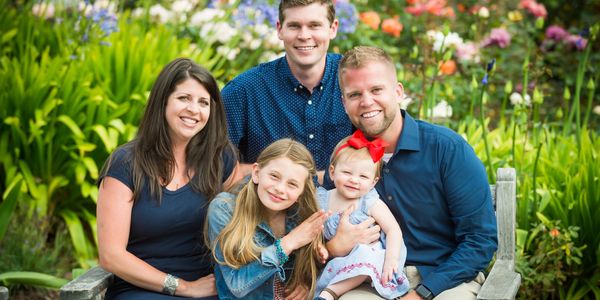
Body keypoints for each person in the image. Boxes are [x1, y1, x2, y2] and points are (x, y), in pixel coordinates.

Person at [326, 46, 498, 300]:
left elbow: (480, 240)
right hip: (370, 276)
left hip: (445, 279)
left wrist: (423, 293)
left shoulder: (447, 149)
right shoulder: (344, 158)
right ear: (344, 102)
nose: (366, 101)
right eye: (354, 94)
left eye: (376, 90)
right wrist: (333, 247)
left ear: (398, 92)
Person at [96, 58, 241, 299]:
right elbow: (111, 255)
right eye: (184, 98)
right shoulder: (126, 163)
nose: (194, 109)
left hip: (211, 286)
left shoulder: (220, 157)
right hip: (142, 288)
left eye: (203, 102)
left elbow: (245, 223)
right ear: (163, 101)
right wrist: (185, 287)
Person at [221, 0, 354, 182]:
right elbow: (216, 168)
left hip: (344, 204)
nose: (304, 35)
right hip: (267, 205)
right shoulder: (242, 92)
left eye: (314, 25)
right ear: (279, 29)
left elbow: (385, 144)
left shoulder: (353, 79)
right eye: (294, 26)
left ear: (333, 28)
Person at [207, 139, 330, 299]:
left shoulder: (301, 214)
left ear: (301, 193)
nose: (279, 189)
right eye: (274, 176)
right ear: (257, 173)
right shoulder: (224, 209)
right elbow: (237, 285)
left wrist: (307, 280)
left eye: (292, 184)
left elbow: (310, 267)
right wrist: (289, 243)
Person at [315, 130, 410, 300]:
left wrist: (391, 260)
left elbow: (393, 229)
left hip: (369, 258)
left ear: (373, 182)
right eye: (347, 173)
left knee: (366, 255)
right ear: (332, 172)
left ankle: (330, 293)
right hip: (336, 260)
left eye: (363, 176)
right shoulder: (322, 199)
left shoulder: (369, 201)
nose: (354, 180)